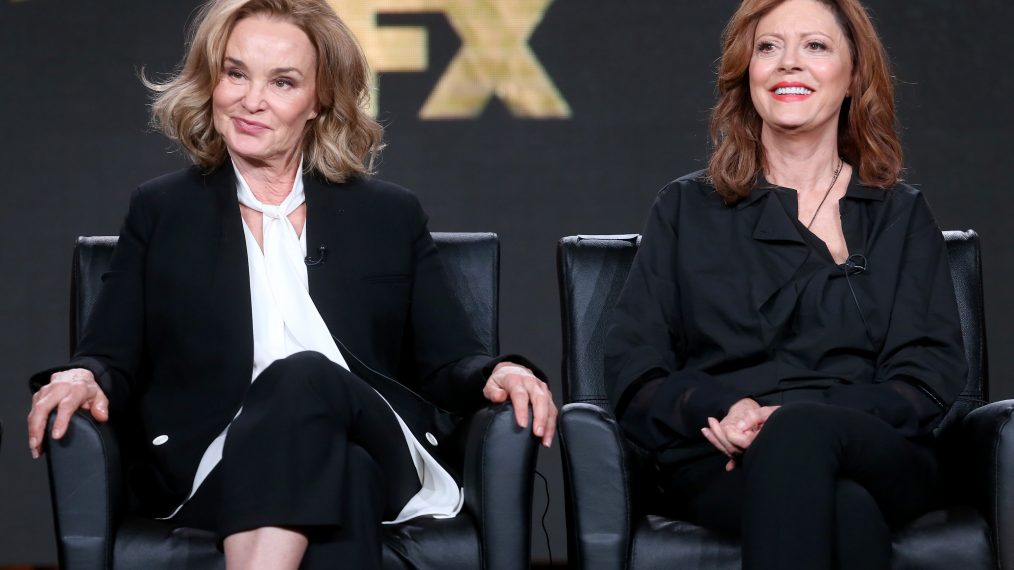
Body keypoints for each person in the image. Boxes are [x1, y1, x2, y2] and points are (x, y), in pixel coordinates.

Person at [26, 0, 557, 568]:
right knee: (344, 475)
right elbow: (112, 352)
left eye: (282, 82)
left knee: (301, 376)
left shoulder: (387, 214)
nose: (251, 100)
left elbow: (447, 360)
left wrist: (501, 370)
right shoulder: (162, 210)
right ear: (212, 81)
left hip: (381, 442)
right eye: (235, 73)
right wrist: (83, 375)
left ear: (320, 100)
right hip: (221, 461)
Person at [605, 0, 966, 568]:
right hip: (728, 460)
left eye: (815, 47)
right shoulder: (685, 208)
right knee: (845, 513)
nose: (787, 65)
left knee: (803, 435)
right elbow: (635, 370)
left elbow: (925, 379)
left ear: (853, 77)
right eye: (768, 47)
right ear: (746, 74)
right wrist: (729, 408)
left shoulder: (898, 214)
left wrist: (802, 417)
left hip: (876, 450)